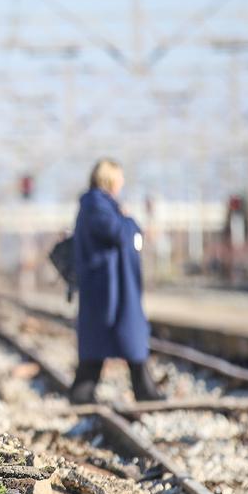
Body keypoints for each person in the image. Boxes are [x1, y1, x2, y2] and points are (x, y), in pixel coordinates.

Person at [68, 158, 165, 404]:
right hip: (110, 289)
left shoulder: (96, 205)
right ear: (109, 179)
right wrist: (130, 220)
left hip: (109, 287)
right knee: (128, 335)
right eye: (119, 177)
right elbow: (121, 233)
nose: (122, 182)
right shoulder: (97, 205)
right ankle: (90, 392)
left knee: (111, 339)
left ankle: (86, 391)